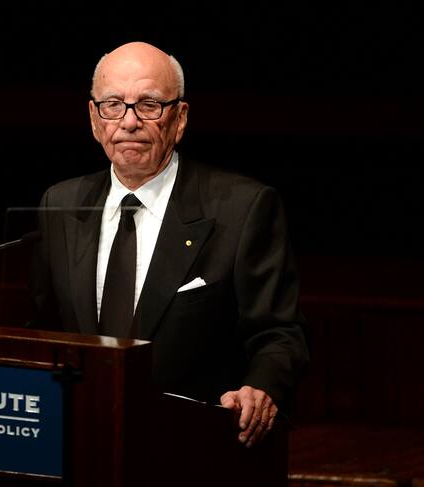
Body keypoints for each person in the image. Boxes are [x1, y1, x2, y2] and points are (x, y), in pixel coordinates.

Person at [30, 41, 309, 448]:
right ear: (94, 119)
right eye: (113, 105)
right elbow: (41, 329)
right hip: (81, 439)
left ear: (180, 118)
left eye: (149, 105)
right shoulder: (60, 204)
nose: (129, 122)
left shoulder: (242, 208)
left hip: (193, 444)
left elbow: (280, 334)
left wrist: (261, 387)